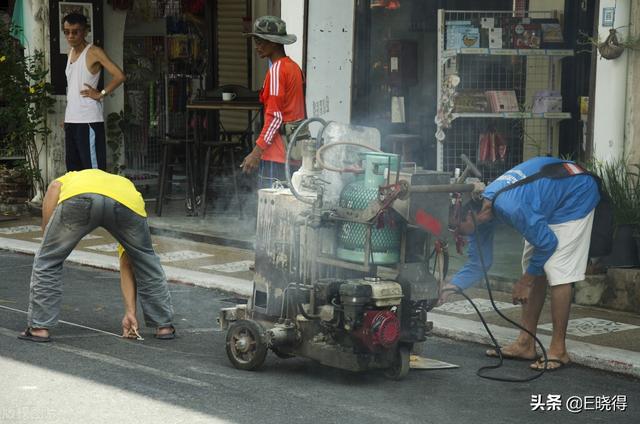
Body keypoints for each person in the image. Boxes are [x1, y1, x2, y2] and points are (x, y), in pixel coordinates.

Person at [438, 156, 600, 371]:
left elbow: (547, 243)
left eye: (456, 227)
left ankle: (558, 350)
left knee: (557, 269)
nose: (455, 233)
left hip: (576, 191)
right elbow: (481, 262)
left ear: (470, 215)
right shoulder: (482, 215)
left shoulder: (511, 207)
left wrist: (525, 281)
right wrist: (453, 286)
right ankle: (526, 343)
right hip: (547, 196)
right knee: (532, 265)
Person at [18, 169, 175, 342]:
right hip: (125, 203)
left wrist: (47, 239)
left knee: (47, 260)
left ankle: (39, 328)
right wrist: (130, 313)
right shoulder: (126, 186)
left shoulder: (70, 177)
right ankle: (164, 326)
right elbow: (128, 264)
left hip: (80, 198)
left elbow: (54, 187)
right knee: (146, 261)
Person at [240, 16, 306, 189]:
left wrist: (256, 152)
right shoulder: (294, 68)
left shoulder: (277, 70)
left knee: (272, 212)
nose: (257, 46)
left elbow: (275, 118)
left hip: (277, 155)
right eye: (256, 40)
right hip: (293, 152)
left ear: (274, 42)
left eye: (261, 41)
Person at [62, 12, 126, 171]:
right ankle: (79, 197)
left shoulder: (94, 52)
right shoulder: (70, 52)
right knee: (73, 172)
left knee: (93, 173)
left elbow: (119, 76)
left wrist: (100, 94)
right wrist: (68, 116)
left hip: (88, 121)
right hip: (72, 121)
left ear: (85, 31)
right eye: (67, 32)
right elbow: (74, 88)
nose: (71, 36)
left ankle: (97, 197)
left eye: (75, 32)